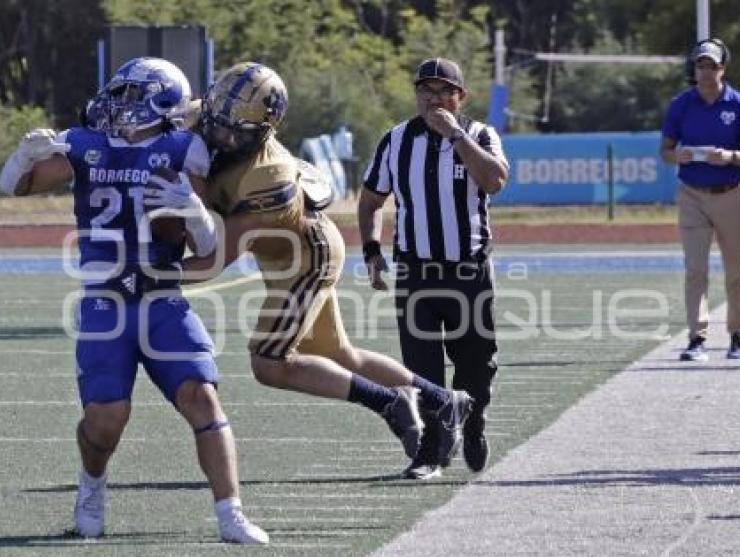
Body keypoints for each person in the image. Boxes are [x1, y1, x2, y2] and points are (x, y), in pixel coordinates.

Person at [0, 57, 268, 544]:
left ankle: (231, 513)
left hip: (161, 298)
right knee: (106, 419)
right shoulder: (85, 144)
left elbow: (207, 249)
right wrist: (21, 157)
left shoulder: (184, 148)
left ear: (162, 100)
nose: (117, 104)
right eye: (118, 93)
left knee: (201, 398)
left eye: (131, 94)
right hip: (105, 302)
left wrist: (194, 213)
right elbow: (9, 186)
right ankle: (91, 486)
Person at [179, 62, 475, 471]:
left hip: (304, 255)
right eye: (215, 122)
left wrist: (150, 274)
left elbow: (214, 259)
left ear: (265, 130)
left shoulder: (271, 176)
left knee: (269, 361)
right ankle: (444, 402)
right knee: (339, 354)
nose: (220, 135)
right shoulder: (199, 115)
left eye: (236, 131)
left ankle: (388, 401)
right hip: (282, 248)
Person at [358, 57, 509, 480]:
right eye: (427, 90)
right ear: (417, 95)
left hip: (468, 272)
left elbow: (495, 181)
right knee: (422, 370)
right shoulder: (396, 140)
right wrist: (371, 250)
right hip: (416, 272)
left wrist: (456, 135)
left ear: (461, 97)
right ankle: (430, 451)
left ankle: (474, 420)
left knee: (476, 366)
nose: (435, 98)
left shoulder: (480, 135)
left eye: (445, 91)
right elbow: (371, 200)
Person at [660, 39, 740, 362]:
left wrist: (731, 156)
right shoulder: (681, 105)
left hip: (730, 193)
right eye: (701, 65)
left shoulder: (739, 105)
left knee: (736, 270)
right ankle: (697, 337)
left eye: (713, 65)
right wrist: (680, 155)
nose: (707, 72)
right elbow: (665, 152)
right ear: (695, 68)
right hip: (692, 194)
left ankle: (737, 334)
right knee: (695, 270)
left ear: (723, 68)